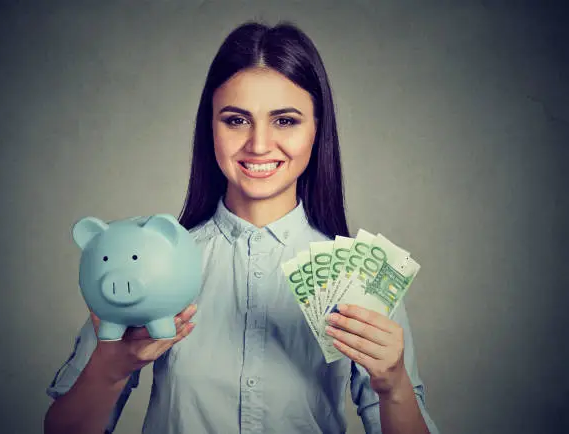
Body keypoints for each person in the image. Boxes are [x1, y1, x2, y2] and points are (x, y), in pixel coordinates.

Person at [44, 21, 439, 434]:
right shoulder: (148, 264)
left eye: (285, 121)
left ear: (317, 130)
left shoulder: (361, 279)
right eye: (236, 120)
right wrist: (109, 369)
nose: (259, 144)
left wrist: (394, 386)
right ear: (209, 127)